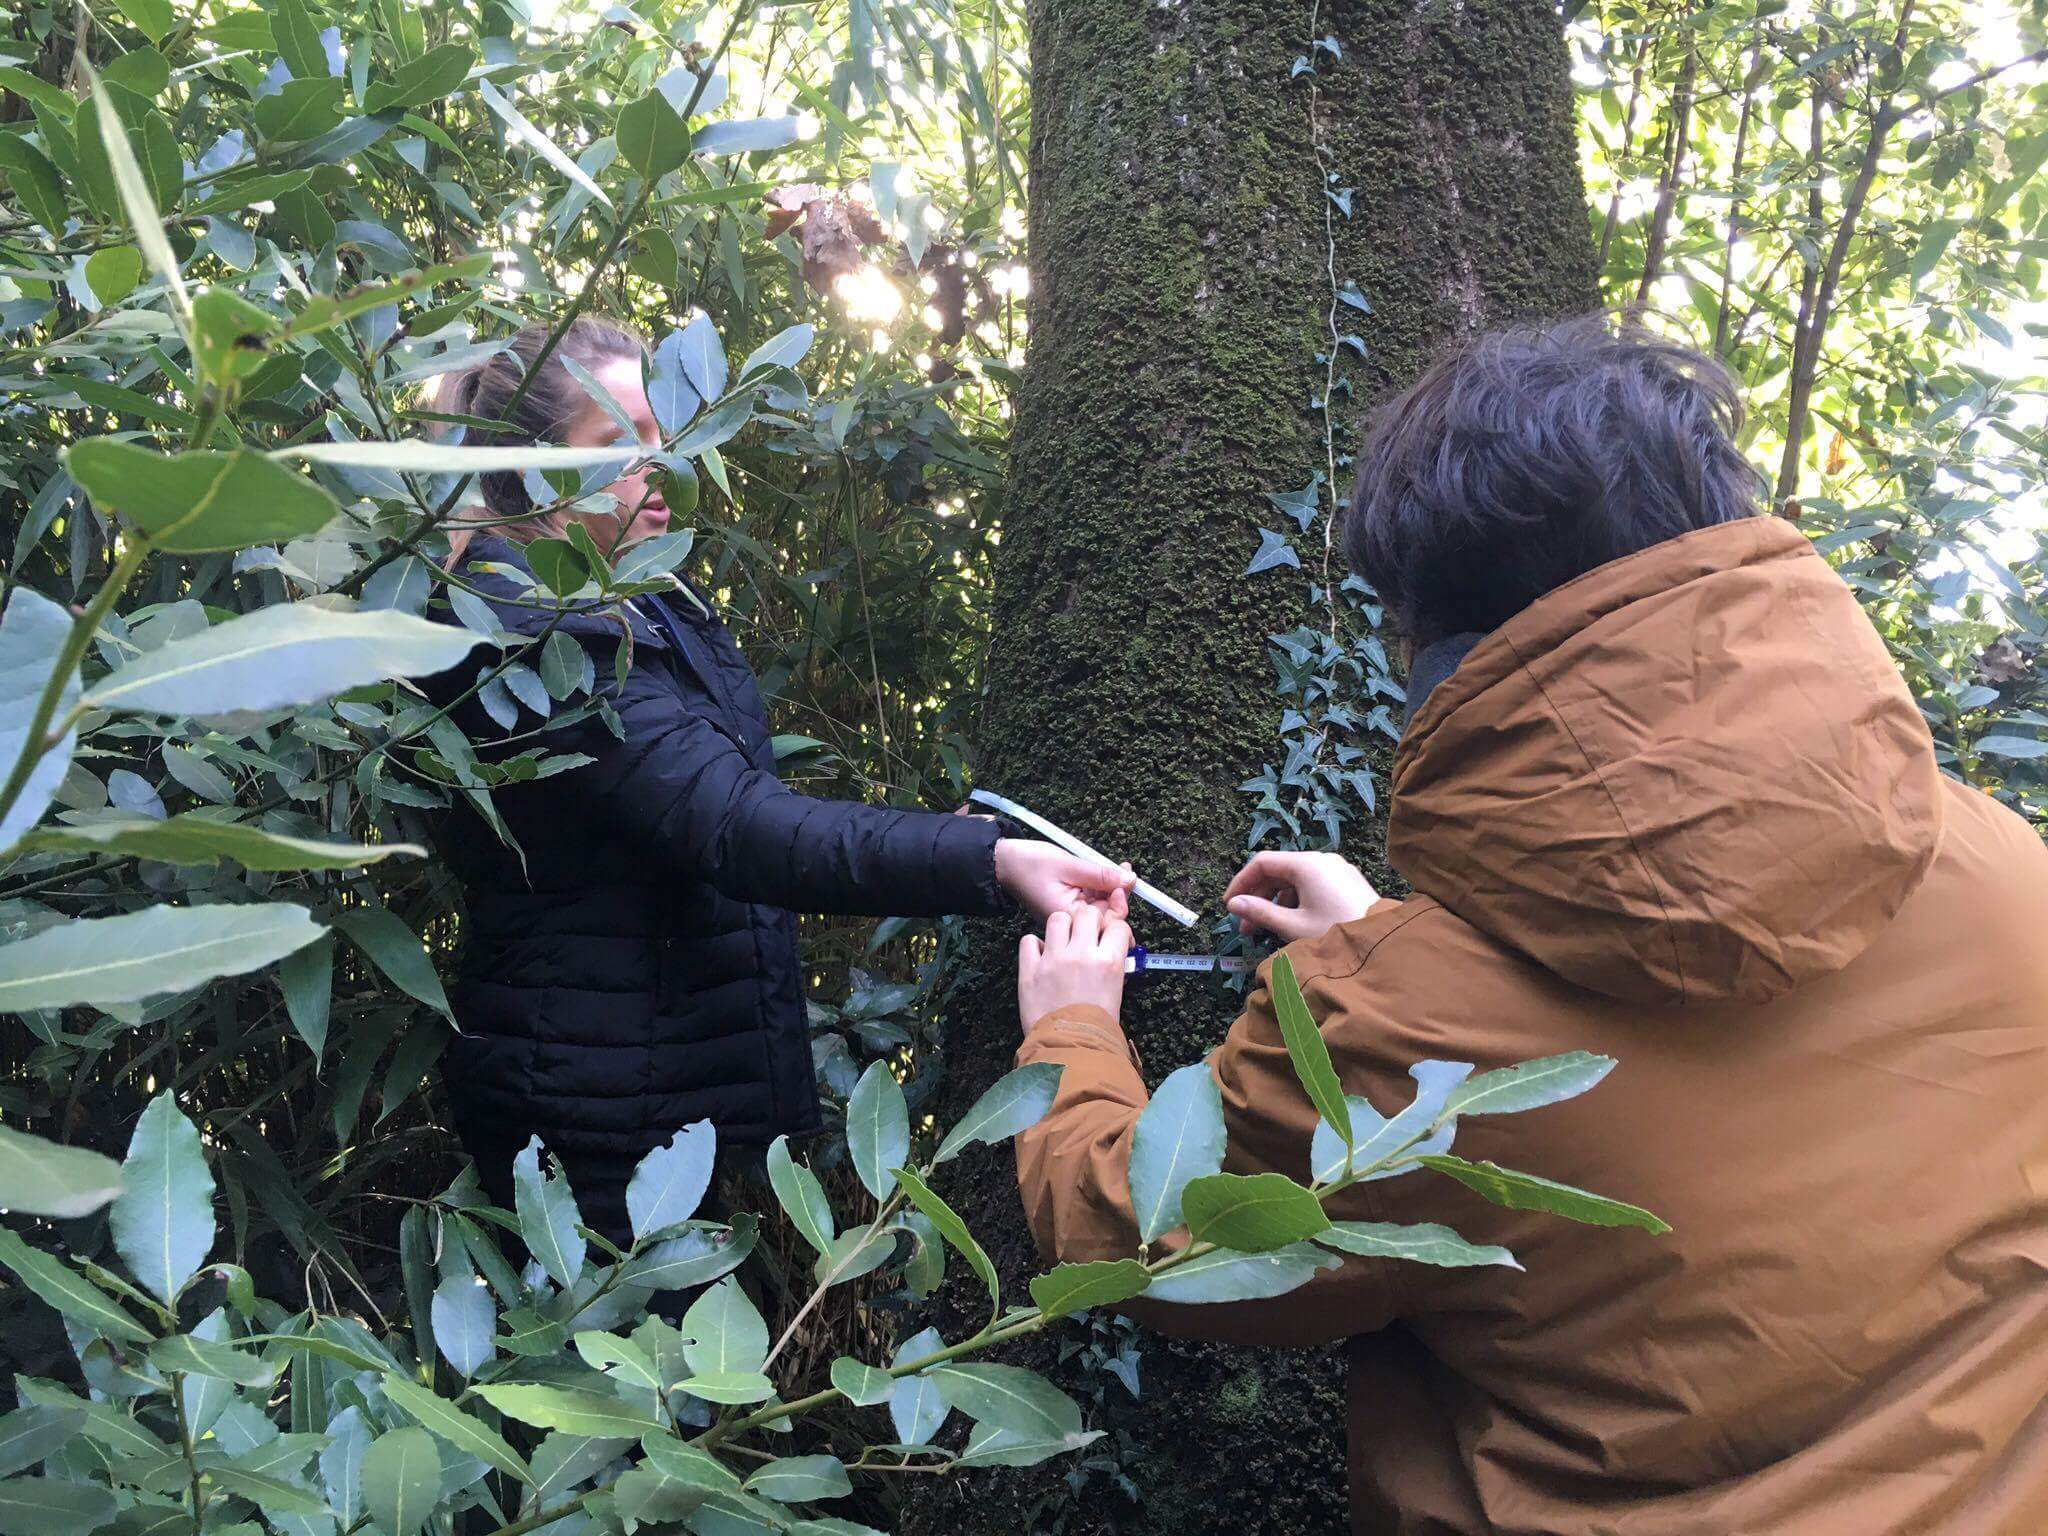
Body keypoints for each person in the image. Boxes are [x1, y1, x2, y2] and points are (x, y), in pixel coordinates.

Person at [1010, 316, 2048, 1534]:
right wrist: (1415, 949)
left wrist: (1073, 1034)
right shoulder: (1990, 853)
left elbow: (1162, 1250)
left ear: (1436, 638)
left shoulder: (1398, 1025)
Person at [419, 316, 1129, 1242]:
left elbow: (706, 801)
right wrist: (987, 862)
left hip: (652, 1083)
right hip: (586, 1108)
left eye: (664, 437)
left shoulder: (646, 602)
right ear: (531, 468)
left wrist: (943, 838)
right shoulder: (526, 628)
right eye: (618, 445)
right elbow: (741, 828)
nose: (661, 468)